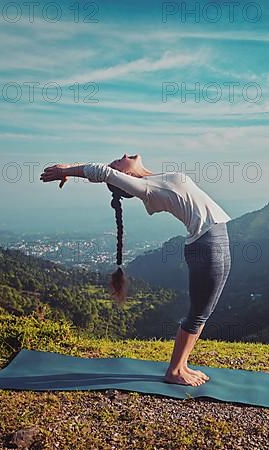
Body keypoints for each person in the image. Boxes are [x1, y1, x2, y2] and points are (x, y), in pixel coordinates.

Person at [40, 154, 232, 387]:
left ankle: (182, 365)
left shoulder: (155, 179)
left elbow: (108, 173)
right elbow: (104, 173)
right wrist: (68, 170)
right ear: (126, 176)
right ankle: (174, 370)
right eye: (117, 162)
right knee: (200, 312)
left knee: (204, 310)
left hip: (213, 240)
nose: (121, 157)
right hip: (207, 244)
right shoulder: (147, 188)